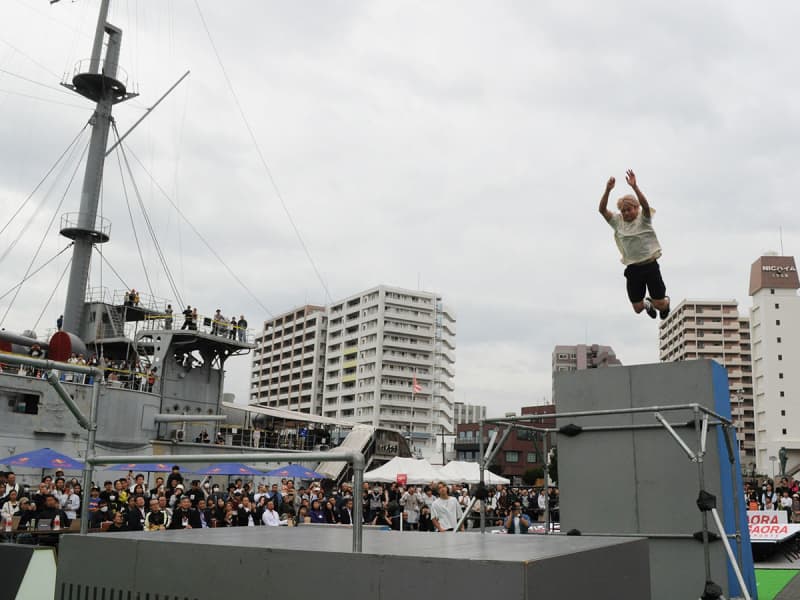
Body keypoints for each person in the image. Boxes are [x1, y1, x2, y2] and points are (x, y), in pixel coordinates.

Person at [599, 170, 670, 320]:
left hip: (650, 266)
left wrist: (635, 187)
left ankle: (666, 302)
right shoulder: (618, 222)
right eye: (623, 211)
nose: (626, 213)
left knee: (660, 305)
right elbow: (602, 210)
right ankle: (646, 304)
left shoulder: (643, 218)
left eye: (629, 209)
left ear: (636, 209)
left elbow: (645, 205)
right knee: (637, 309)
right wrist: (607, 190)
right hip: (633, 269)